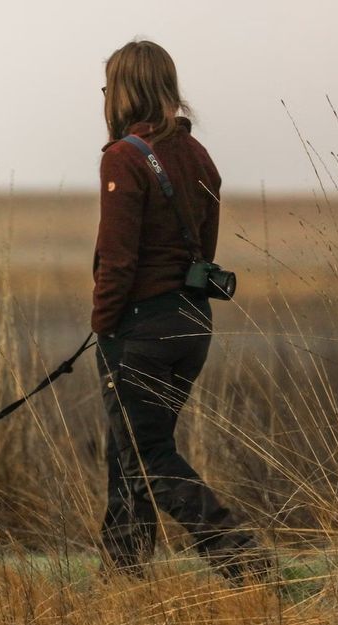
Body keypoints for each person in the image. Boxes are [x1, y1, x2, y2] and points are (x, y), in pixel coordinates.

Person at [92, 39, 270, 584]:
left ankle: (242, 557)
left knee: (145, 456)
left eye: (108, 87)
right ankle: (124, 577)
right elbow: (205, 248)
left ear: (125, 92)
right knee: (133, 451)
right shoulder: (197, 155)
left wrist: (104, 327)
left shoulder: (123, 156)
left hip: (141, 330)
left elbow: (117, 261)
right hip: (192, 324)